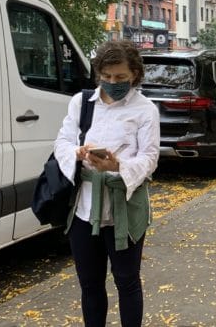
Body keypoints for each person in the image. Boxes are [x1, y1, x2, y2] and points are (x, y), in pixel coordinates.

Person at [54, 40, 159, 327]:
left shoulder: (145, 109)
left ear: (135, 74)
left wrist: (118, 166)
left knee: (127, 282)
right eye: (107, 76)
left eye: (121, 78)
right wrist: (75, 154)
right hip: (85, 208)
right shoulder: (81, 103)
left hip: (124, 208)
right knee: (89, 284)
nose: (113, 83)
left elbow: (150, 157)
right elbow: (62, 140)